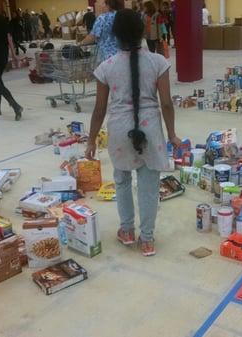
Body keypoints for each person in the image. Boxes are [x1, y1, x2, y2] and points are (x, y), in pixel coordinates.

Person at [85, 9, 180, 256]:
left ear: (115, 35)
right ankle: (146, 240)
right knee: (148, 186)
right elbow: (167, 103)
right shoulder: (158, 62)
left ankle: (126, 230)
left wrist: (91, 140)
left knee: (122, 181)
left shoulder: (105, 67)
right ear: (142, 32)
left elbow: (99, 109)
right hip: (150, 129)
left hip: (119, 131)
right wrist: (172, 134)